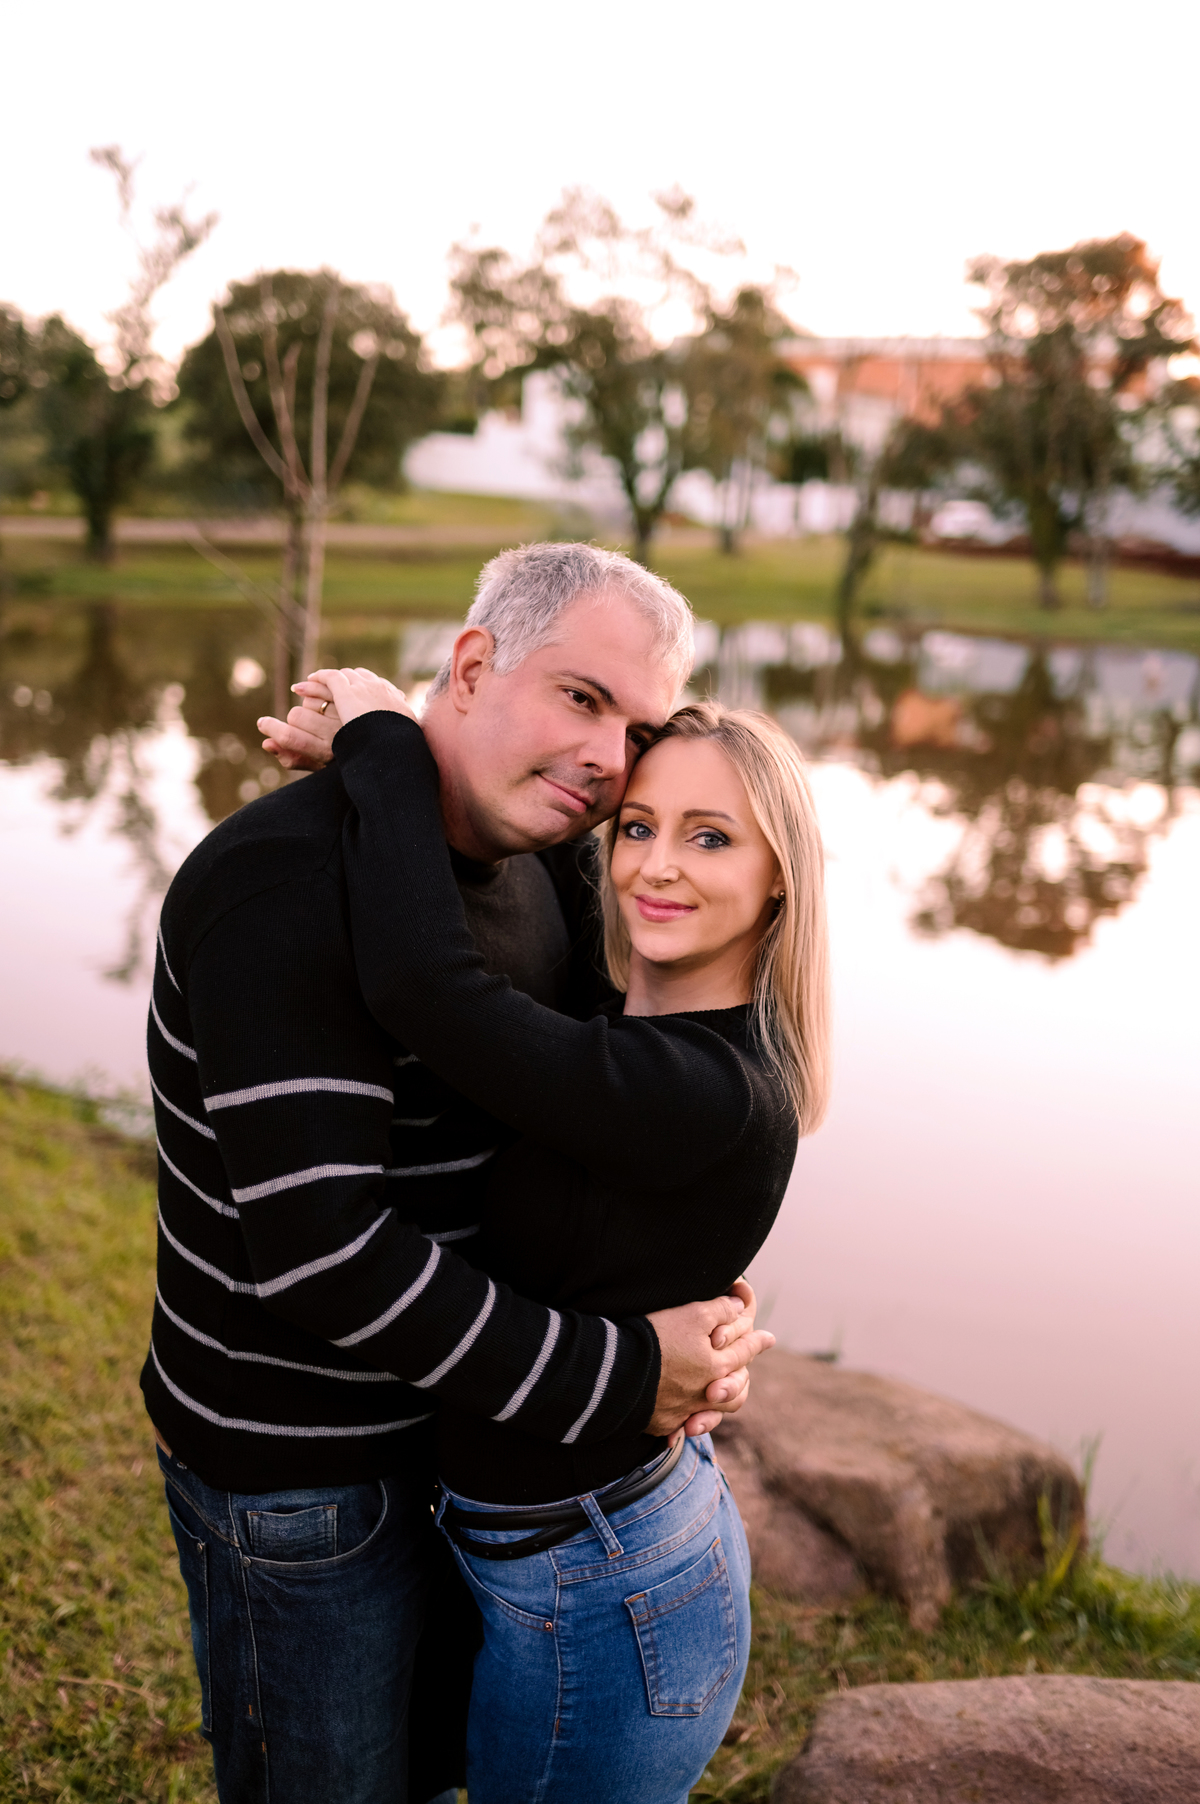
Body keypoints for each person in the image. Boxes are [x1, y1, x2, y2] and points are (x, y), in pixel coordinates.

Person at [145, 544, 775, 1804]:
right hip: (309, 1481)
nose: (610, 759)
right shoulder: (283, 883)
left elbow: (603, 1094)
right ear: (474, 663)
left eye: (636, 730)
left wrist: (696, 1272)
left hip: (461, 1447)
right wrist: (630, 1370)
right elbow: (329, 1256)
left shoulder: (543, 864)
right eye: (583, 697)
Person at [294, 663, 831, 1804]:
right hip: (563, 1547)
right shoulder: (641, 1029)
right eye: (638, 826)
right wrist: (436, 763)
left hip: (602, 1582)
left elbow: (429, 989)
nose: (655, 865)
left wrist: (387, 749)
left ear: (783, 879)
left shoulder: (698, 1087)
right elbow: (566, 921)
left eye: (711, 838)